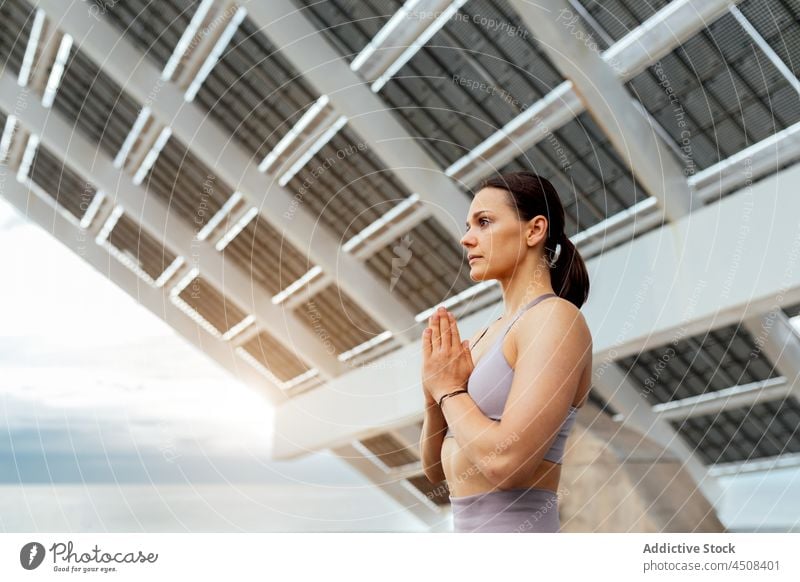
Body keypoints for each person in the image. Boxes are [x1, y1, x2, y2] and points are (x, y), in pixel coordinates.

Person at [419, 171, 593, 533]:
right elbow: (436, 470)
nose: (466, 239)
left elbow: (509, 465)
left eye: (484, 222)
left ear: (534, 230)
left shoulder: (554, 319)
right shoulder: (487, 333)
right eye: (469, 225)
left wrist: (450, 391)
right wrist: (433, 392)